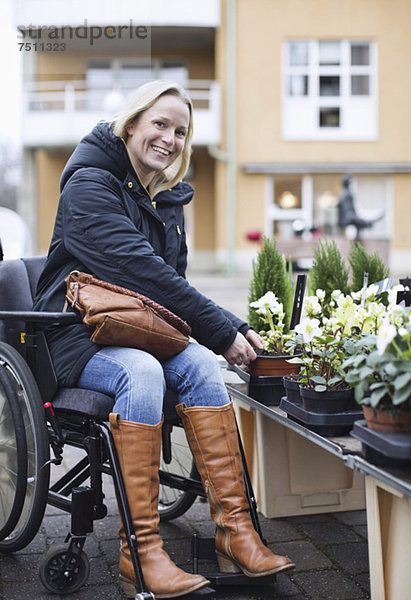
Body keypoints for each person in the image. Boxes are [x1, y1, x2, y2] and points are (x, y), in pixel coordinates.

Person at [33, 80, 295, 598]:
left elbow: (171, 286)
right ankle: (142, 552)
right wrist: (224, 327)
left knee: (199, 364)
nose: (170, 138)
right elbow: (142, 272)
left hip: (139, 330)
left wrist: (223, 333)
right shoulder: (89, 185)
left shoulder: (168, 200)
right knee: (144, 370)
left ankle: (235, 532)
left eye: (180, 130)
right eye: (159, 123)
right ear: (131, 125)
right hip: (74, 335)